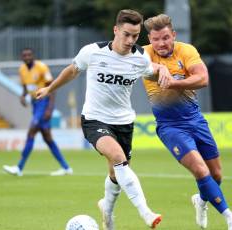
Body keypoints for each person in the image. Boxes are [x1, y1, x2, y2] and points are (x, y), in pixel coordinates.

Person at [36, 9, 168, 230]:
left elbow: (149, 71)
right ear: (115, 30)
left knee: (116, 172)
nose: (130, 40)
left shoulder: (140, 57)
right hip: (95, 120)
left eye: (135, 36)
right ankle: (146, 212)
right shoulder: (92, 52)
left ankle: (106, 209)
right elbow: (72, 70)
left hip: (124, 122)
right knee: (118, 157)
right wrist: (50, 88)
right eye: (126, 34)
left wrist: (162, 69)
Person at [142, 14, 232, 230]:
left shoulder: (186, 50)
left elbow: (203, 79)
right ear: (149, 39)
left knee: (216, 175)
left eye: (166, 38)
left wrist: (176, 83)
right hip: (170, 126)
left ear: (174, 35)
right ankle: (230, 218)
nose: (161, 43)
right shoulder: (142, 55)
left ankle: (201, 200)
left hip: (195, 119)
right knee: (200, 169)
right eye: (156, 39)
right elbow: (147, 68)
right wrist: (161, 70)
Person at [3, 48, 72, 177]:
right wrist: (23, 96)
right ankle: (66, 168)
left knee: (31, 131)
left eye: (29, 54)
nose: (27, 57)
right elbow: (25, 88)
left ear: (33, 56)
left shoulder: (41, 67)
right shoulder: (22, 70)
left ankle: (19, 167)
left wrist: (50, 109)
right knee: (47, 137)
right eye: (24, 55)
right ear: (22, 57)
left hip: (43, 103)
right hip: (35, 105)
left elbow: (52, 88)